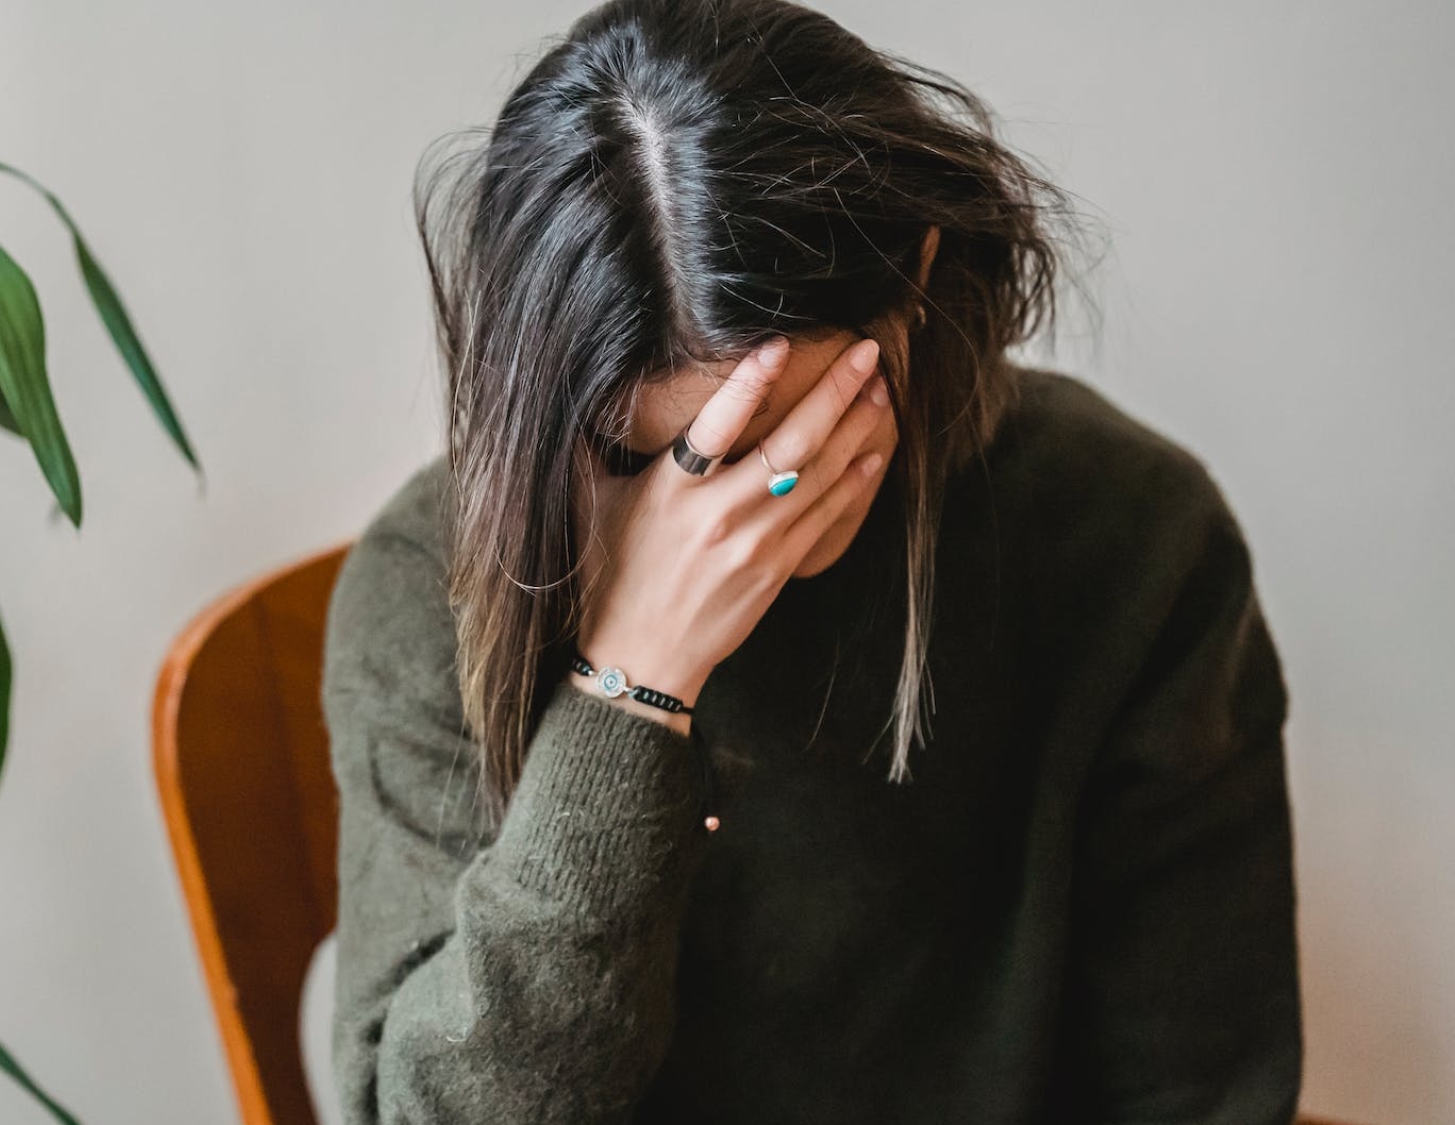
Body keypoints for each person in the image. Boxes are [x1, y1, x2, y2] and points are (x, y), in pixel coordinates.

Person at [321, 0, 1302, 1122]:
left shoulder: (1128, 538)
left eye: (783, 435)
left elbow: (1199, 1085)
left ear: (915, 281)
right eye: (650, 457)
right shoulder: (426, 586)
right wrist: (629, 692)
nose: (725, 514)